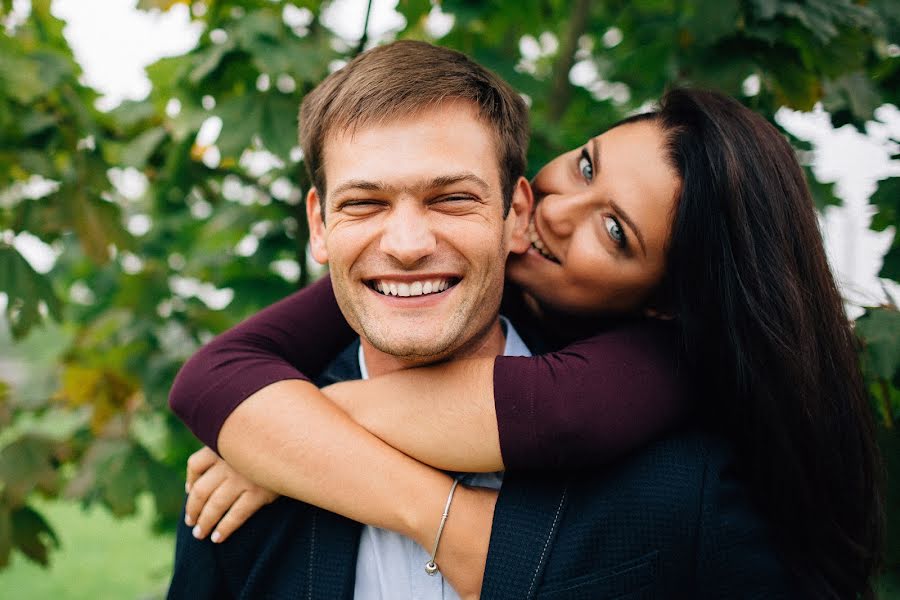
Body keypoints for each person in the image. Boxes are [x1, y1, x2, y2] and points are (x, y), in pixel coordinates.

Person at [168, 41, 883, 599]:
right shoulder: (237, 481)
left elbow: (562, 414)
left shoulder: (676, 449)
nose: (556, 212)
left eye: (617, 233)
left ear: (507, 213)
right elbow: (217, 374)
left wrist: (291, 427)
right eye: (585, 168)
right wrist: (277, 434)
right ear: (321, 225)